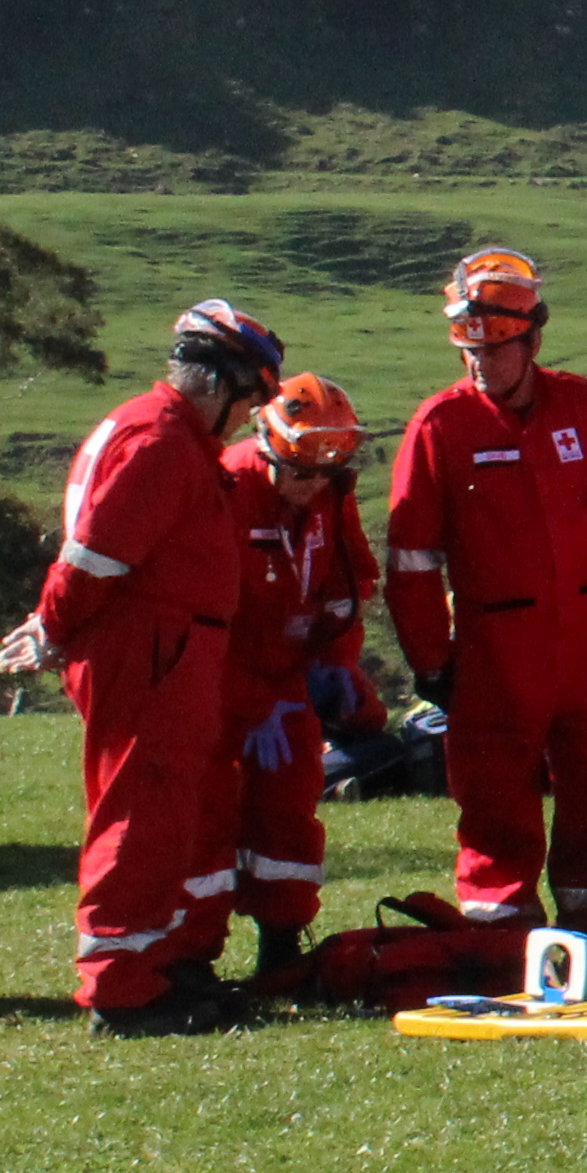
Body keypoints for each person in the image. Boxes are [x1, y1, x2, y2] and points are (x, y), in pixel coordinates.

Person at [0, 301, 283, 1032]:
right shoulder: (159, 442)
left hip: (164, 651)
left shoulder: (159, 433)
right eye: (249, 399)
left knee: (160, 812)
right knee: (139, 813)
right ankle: (121, 989)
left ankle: (148, 970)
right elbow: (95, 556)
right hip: (150, 652)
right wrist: (52, 624)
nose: (248, 417)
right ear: (219, 385)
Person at [387, 250, 587, 939]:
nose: (480, 365)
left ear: (532, 340)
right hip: (495, 651)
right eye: (469, 350)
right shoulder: (440, 427)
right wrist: (432, 662)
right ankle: (502, 932)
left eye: (496, 350)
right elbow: (412, 563)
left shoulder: (584, 408)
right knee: (496, 797)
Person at [220, 374, 377, 988]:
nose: (311, 490)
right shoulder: (228, 487)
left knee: (289, 814)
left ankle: (282, 949)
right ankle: (193, 956)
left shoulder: (331, 490)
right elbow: (204, 612)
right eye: (301, 475)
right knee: (209, 822)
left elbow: (351, 583)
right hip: (224, 681)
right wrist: (248, 700)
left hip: (293, 680)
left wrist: (336, 660)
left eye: (323, 477)